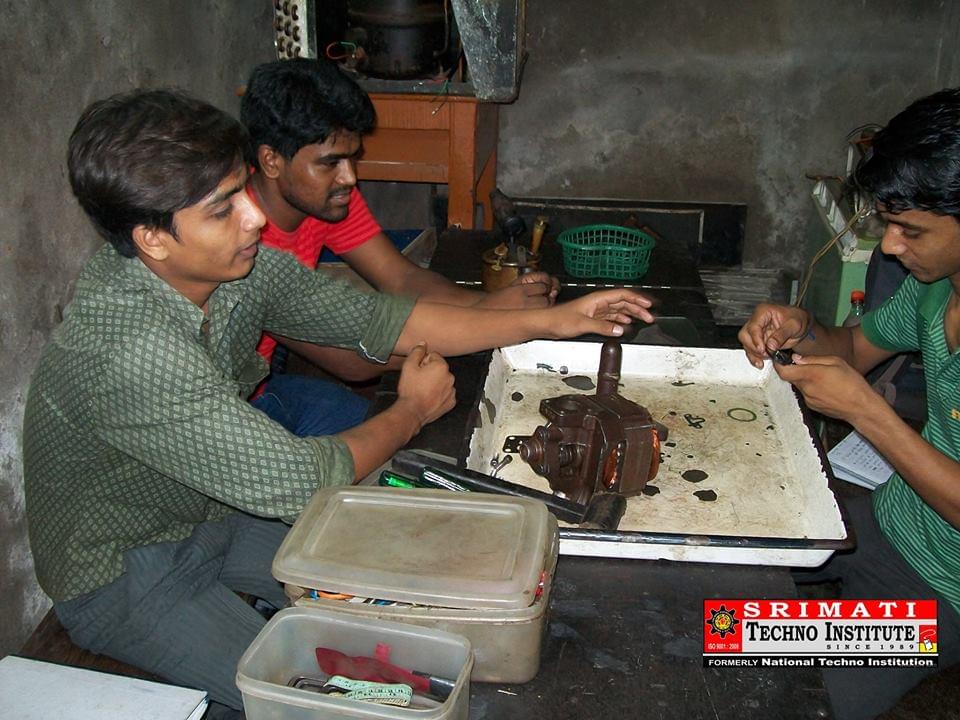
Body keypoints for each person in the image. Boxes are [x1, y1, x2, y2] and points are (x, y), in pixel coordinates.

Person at [22, 88, 653, 714]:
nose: (254, 218)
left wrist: (554, 322)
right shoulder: (128, 349)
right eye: (222, 209)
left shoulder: (230, 271)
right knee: (342, 697)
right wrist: (409, 412)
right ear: (152, 238)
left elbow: (380, 321)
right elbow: (297, 480)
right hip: (126, 575)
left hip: (211, 514)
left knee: (414, 583)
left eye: (243, 190)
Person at [739, 88, 960, 720]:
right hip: (892, 525)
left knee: (764, 684)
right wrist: (797, 326)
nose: (890, 247)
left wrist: (865, 411)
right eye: (889, 224)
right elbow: (855, 346)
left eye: (909, 229)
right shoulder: (937, 286)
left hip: (941, 595)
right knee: (711, 559)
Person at [240, 58, 561, 435]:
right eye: (330, 163)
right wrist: (502, 319)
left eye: (353, 157)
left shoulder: (321, 200)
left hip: (264, 387)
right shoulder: (244, 247)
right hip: (231, 410)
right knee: (384, 459)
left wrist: (501, 305)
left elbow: (401, 277)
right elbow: (352, 360)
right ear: (271, 160)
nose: (350, 177)